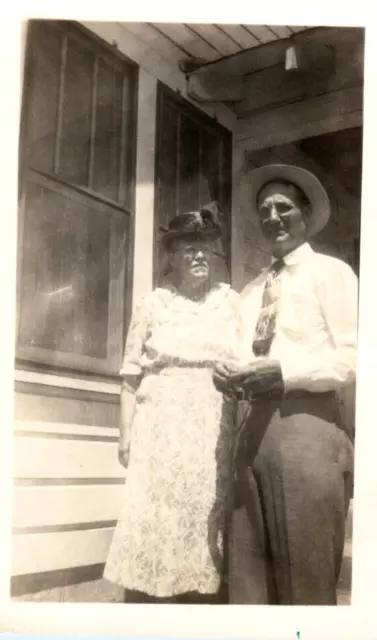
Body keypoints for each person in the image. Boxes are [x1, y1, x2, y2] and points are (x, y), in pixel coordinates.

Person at [214, 164, 358, 605]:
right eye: (264, 209)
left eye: (284, 207)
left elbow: (353, 357)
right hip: (249, 431)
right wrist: (229, 374)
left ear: (306, 213)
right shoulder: (251, 290)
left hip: (307, 425)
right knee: (248, 576)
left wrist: (285, 373)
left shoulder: (331, 274)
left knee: (306, 575)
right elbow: (242, 355)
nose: (272, 217)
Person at [104, 203, 240, 604]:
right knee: (159, 512)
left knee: (205, 513)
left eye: (205, 248)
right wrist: (125, 434)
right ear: (171, 258)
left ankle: (203, 598)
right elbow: (131, 376)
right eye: (188, 249)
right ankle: (154, 599)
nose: (200, 255)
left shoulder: (228, 302)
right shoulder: (153, 305)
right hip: (159, 425)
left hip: (213, 423)